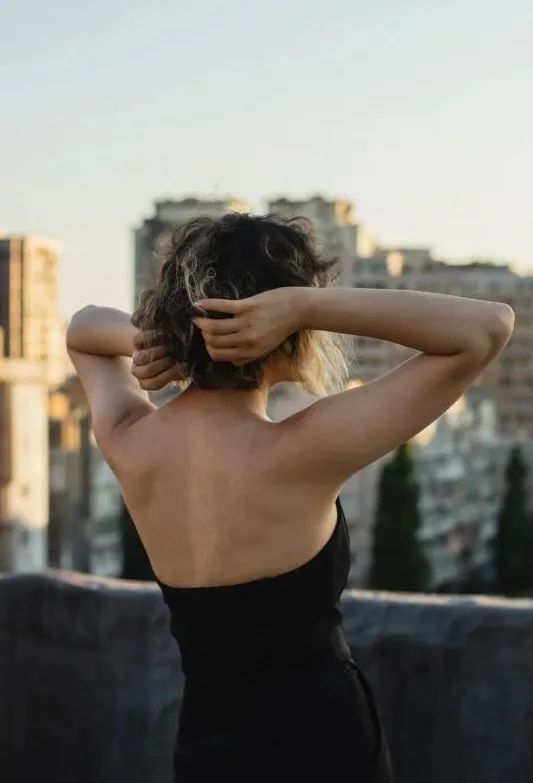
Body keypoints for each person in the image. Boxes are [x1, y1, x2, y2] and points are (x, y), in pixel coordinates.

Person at [66, 212, 514, 782]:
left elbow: (82, 330)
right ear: (283, 330)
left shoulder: (131, 440)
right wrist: (306, 306)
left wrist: (154, 340)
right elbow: (488, 327)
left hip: (206, 754)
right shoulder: (303, 450)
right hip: (324, 749)